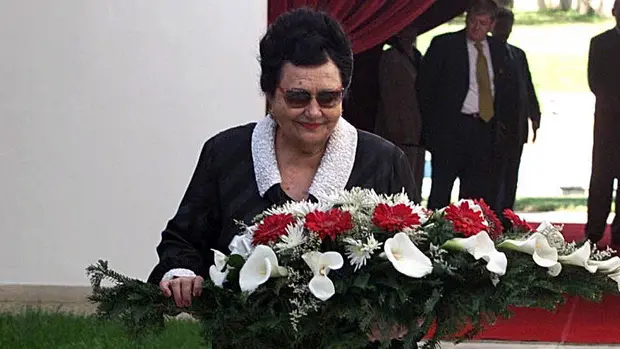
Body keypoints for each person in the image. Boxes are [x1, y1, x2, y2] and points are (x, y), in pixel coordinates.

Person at [146, 8, 418, 348]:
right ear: (270, 94)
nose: (314, 112)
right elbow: (182, 240)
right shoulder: (226, 153)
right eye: (298, 97)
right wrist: (182, 274)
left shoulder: (385, 162)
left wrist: (400, 314)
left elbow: (414, 261)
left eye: (329, 97)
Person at [417, 0, 519, 211]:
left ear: (492, 24)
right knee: (440, 193)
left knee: (476, 197)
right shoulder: (444, 45)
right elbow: (424, 89)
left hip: (484, 130)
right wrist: (433, 129)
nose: (476, 27)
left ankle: (470, 240)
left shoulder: (500, 51)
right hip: (451, 131)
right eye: (472, 21)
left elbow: (509, 93)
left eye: (482, 23)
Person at [491, 7, 541, 215]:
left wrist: (535, 115)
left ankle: (507, 216)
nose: (506, 28)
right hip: (495, 127)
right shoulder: (488, 52)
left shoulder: (518, 54)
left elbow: (527, 87)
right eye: (502, 24)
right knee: (494, 176)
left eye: (509, 24)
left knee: (512, 175)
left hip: (516, 127)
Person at [374, 23, 425, 203]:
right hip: (398, 131)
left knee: (415, 182)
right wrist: (397, 130)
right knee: (398, 181)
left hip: (418, 131)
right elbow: (388, 95)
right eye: (405, 29)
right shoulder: (390, 57)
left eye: (412, 28)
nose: (410, 33)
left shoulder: (418, 57)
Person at [584, 0, 620, 246]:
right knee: (601, 178)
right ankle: (594, 230)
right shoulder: (600, 42)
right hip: (608, 121)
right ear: (614, 12)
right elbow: (594, 81)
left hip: (609, 116)